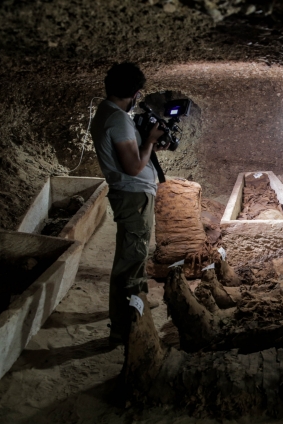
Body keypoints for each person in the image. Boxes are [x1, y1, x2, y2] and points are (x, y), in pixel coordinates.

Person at [90, 63, 167, 345]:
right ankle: (124, 328)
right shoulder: (119, 120)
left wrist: (147, 145)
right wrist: (150, 140)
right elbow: (133, 166)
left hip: (132, 194)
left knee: (134, 254)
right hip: (133, 194)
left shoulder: (107, 113)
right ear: (135, 93)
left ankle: (140, 303)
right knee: (131, 260)